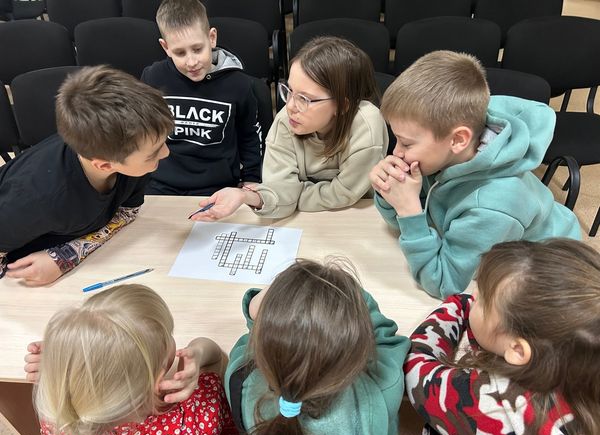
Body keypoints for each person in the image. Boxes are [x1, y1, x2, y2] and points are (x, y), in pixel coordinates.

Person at [369, 50, 581, 299]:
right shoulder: (448, 151)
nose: (397, 152)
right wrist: (392, 193)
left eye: (406, 143)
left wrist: (408, 210)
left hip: (547, 272)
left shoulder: (493, 205)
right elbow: (408, 225)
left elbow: (445, 283)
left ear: (458, 140)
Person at [405, 238, 600, 435]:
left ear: (518, 350)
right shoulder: (583, 362)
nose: (474, 294)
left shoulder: (490, 398)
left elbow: (415, 369)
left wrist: (458, 305)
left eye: (482, 300)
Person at [0, 66, 173, 286]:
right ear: (105, 165)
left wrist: (67, 256)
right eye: (153, 153)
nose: (166, 153)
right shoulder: (36, 198)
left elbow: (128, 213)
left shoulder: (129, 157)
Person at [190, 36, 389, 221]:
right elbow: (279, 189)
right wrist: (246, 196)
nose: (290, 106)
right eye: (290, 91)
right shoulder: (287, 120)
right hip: (304, 220)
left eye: (305, 98)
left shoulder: (367, 125)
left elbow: (344, 194)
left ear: (343, 105)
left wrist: (292, 195)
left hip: (359, 216)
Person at [24, 284, 240, 435]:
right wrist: (198, 351)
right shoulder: (192, 422)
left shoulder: (62, 418)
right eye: (169, 334)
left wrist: (65, 359)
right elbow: (217, 358)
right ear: (158, 376)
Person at [225, 258, 409, 435]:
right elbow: (387, 341)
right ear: (355, 359)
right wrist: (347, 294)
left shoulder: (240, 380)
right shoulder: (379, 390)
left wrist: (270, 308)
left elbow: (254, 339)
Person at [141, 0, 262, 196]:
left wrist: (252, 178)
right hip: (161, 184)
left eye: (197, 49)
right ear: (166, 47)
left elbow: (249, 136)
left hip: (218, 186)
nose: (191, 62)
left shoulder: (238, 84)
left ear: (212, 38)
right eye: (180, 53)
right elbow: (143, 131)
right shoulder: (153, 77)